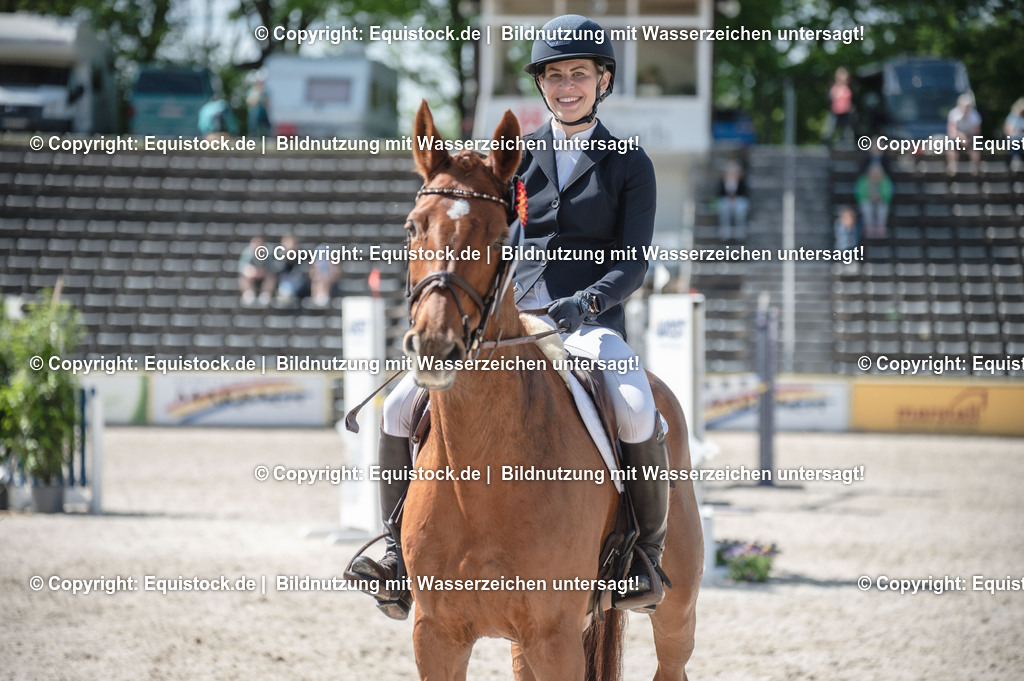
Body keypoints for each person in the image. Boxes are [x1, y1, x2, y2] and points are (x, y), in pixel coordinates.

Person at [350, 14, 670, 619]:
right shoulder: (517, 159)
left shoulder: (630, 163)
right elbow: (492, 239)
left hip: (589, 322)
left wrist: (588, 302)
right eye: (554, 76)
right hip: (510, 322)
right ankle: (396, 554)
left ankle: (641, 555)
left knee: (632, 403)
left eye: (579, 73)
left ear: (603, 81)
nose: (566, 85)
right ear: (542, 85)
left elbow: (632, 264)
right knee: (396, 406)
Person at [947, 92, 982, 175]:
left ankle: (974, 166)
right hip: (957, 136)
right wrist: (961, 137)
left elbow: (977, 131)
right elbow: (952, 130)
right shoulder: (953, 114)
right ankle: (952, 166)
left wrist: (968, 138)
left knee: (976, 142)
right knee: (951, 143)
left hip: (970, 136)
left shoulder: (975, 115)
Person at [855, 163, 893, 238]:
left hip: (880, 200)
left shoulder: (885, 180)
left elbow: (888, 193)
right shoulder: (863, 180)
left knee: (883, 207)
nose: (875, 175)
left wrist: (880, 196)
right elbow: (859, 193)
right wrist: (869, 196)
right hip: (867, 200)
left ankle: (881, 226)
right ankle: (869, 226)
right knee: (866, 207)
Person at [716, 160, 750, 241]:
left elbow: (745, 194)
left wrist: (735, 198)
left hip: (738, 202)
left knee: (740, 210)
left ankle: (740, 231)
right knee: (723, 209)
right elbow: (719, 194)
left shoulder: (742, 182)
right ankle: (725, 232)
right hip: (726, 202)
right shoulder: (722, 181)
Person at [238, 236, 275, 306]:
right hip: (251, 276)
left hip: (264, 276)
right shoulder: (247, 252)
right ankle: (248, 294)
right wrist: (251, 272)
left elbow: (272, 268)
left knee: (271, 277)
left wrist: (262, 272)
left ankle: (265, 294)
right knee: (243, 278)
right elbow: (242, 267)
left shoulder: (269, 253)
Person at [822, 67, 854, 146]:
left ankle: (848, 145)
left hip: (845, 112)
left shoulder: (847, 87)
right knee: (830, 129)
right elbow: (832, 98)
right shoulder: (835, 87)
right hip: (836, 111)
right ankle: (826, 144)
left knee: (846, 131)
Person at [1004, 97, 1024, 172]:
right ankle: (1016, 159)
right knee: (1013, 140)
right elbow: (1008, 130)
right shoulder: (1012, 116)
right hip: (1015, 137)